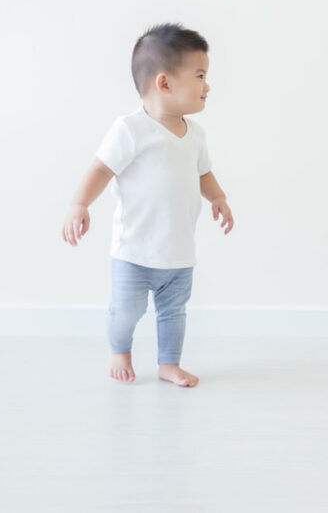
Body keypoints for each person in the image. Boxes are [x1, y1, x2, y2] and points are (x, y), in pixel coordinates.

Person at [61, 23, 234, 387]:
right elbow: (101, 169)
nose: (208, 86)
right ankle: (119, 349)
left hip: (178, 252)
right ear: (164, 83)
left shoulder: (196, 134)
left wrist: (218, 197)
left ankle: (168, 363)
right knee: (127, 311)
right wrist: (80, 204)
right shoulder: (131, 130)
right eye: (200, 76)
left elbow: (203, 173)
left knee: (174, 313)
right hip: (134, 252)